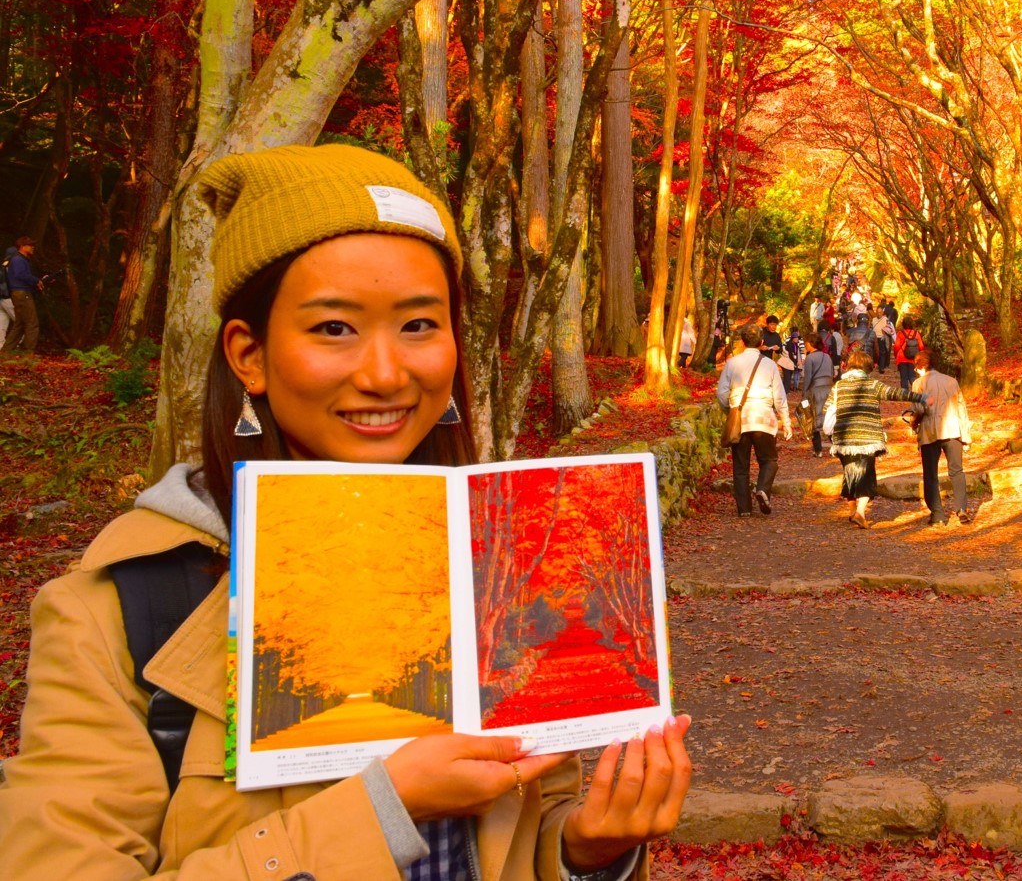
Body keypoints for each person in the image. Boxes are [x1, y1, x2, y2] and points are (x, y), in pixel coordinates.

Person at [0, 145, 691, 881]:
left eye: (420, 326)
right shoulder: (123, 610)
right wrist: (384, 809)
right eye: (335, 329)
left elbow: (525, 827)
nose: (386, 373)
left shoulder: (495, 563)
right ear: (250, 354)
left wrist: (583, 851)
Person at [822, 346, 924, 528]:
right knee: (866, 475)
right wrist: (920, 397)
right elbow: (895, 393)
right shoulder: (873, 385)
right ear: (867, 368)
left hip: (843, 440)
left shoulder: (838, 386)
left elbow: (827, 409)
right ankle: (860, 513)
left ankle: (852, 510)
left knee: (850, 474)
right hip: (867, 438)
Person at [716, 324, 792, 516]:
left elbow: (721, 393)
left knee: (740, 466)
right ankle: (763, 489)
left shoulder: (732, 363)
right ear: (762, 342)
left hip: (740, 419)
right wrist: (786, 421)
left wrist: (731, 408)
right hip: (763, 419)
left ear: (742, 341)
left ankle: (744, 509)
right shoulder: (769, 365)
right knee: (769, 460)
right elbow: (779, 396)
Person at [912, 352, 972, 526]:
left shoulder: (918, 384)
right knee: (957, 471)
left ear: (921, 366)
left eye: (917, 368)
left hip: (930, 431)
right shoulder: (951, 381)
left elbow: (919, 408)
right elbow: (962, 408)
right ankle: (961, 509)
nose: (916, 371)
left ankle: (938, 515)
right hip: (953, 430)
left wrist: (914, 422)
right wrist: (966, 437)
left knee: (930, 474)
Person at [3, 236, 44, 354]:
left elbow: (23, 275)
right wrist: (36, 281)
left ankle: (5, 352)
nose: (33, 247)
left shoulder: (20, 259)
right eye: (30, 245)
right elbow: (21, 275)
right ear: (22, 246)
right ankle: (28, 353)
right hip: (22, 293)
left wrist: (38, 280)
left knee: (20, 324)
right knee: (32, 323)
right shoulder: (18, 260)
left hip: (18, 293)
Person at [800, 333, 836, 458]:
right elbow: (832, 373)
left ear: (810, 344)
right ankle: (835, 447)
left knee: (814, 419)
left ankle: (818, 450)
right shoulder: (827, 357)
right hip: (829, 388)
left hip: (815, 390)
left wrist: (804, 394)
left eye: (806, 344)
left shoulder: (810, 358)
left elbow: (808, 377)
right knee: (829, 418)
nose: (805, 346)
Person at [892, 317, 925, 392]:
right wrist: (920, 356)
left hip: (901, 357)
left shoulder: (900, 333)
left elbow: (896, 346)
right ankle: (916, 391)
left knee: (903, 377)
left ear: (903, 324)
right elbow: (921, 346)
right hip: (913, 358)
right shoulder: (916, 334)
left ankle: (904, 394)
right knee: (912, 376)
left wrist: (896, 354)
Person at [0, 241, 17, 350]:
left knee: (1, 325)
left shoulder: (3, 266)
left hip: (1, 299)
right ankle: (18, 346)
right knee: (23, 322)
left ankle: (1, 347)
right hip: (9, 298)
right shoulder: (12, 266)